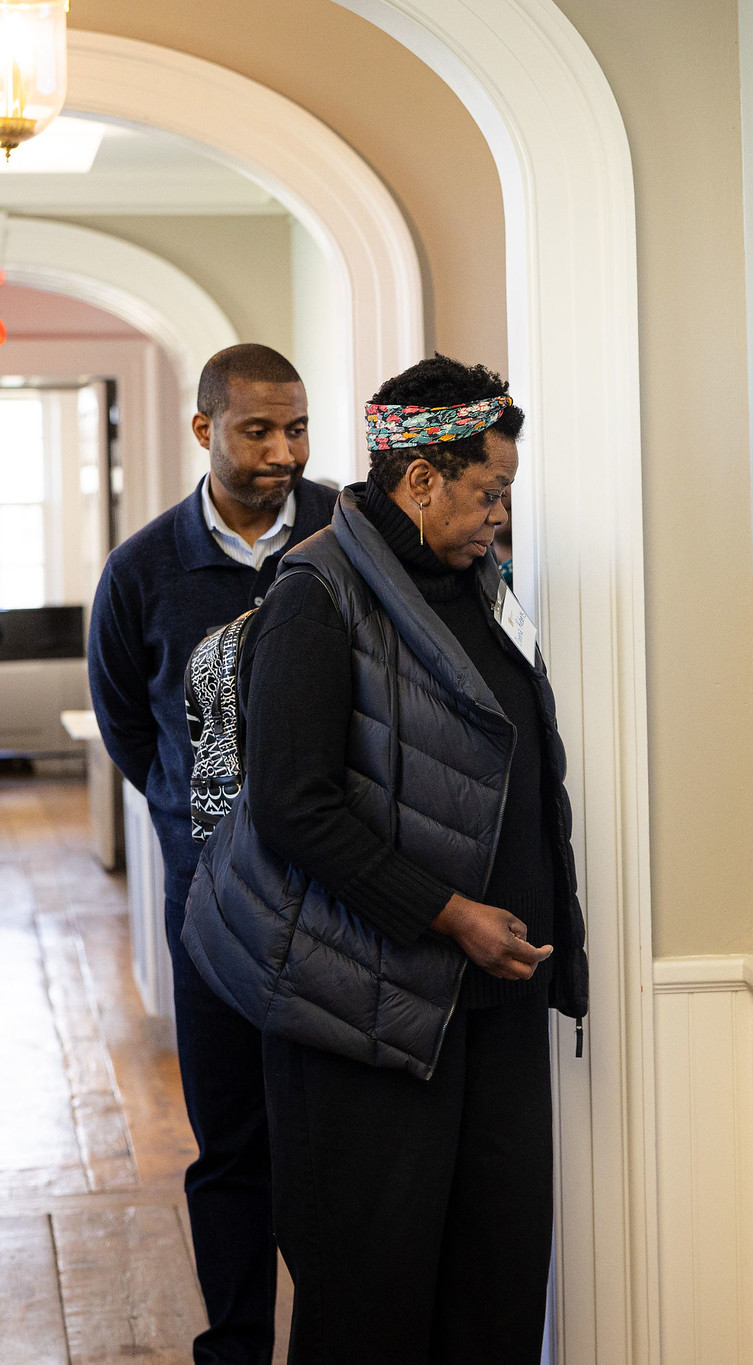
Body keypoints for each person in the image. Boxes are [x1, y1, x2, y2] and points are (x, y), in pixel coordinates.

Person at [232, 354, 586, 1363]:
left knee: (497, 1283)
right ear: (420, 478)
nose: (499, 514)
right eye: (489, 491)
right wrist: (450, 914)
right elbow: (293, 807)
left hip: (493, 1007)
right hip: (368, 1011)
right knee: (371, 1300)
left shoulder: (478, 587)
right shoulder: (316, 593)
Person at [86, 343, 334, 1365]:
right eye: (256, 430)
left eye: (297, 428)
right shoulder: (144, 569)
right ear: (205, 430)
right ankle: (233, 1346)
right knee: (230, 1143)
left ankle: (337, 1339)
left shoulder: (349, 534)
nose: (282, 451)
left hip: (339, 903)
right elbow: (129, 731)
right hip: (215, 911)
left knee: (329, 1149)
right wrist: (202, 825)